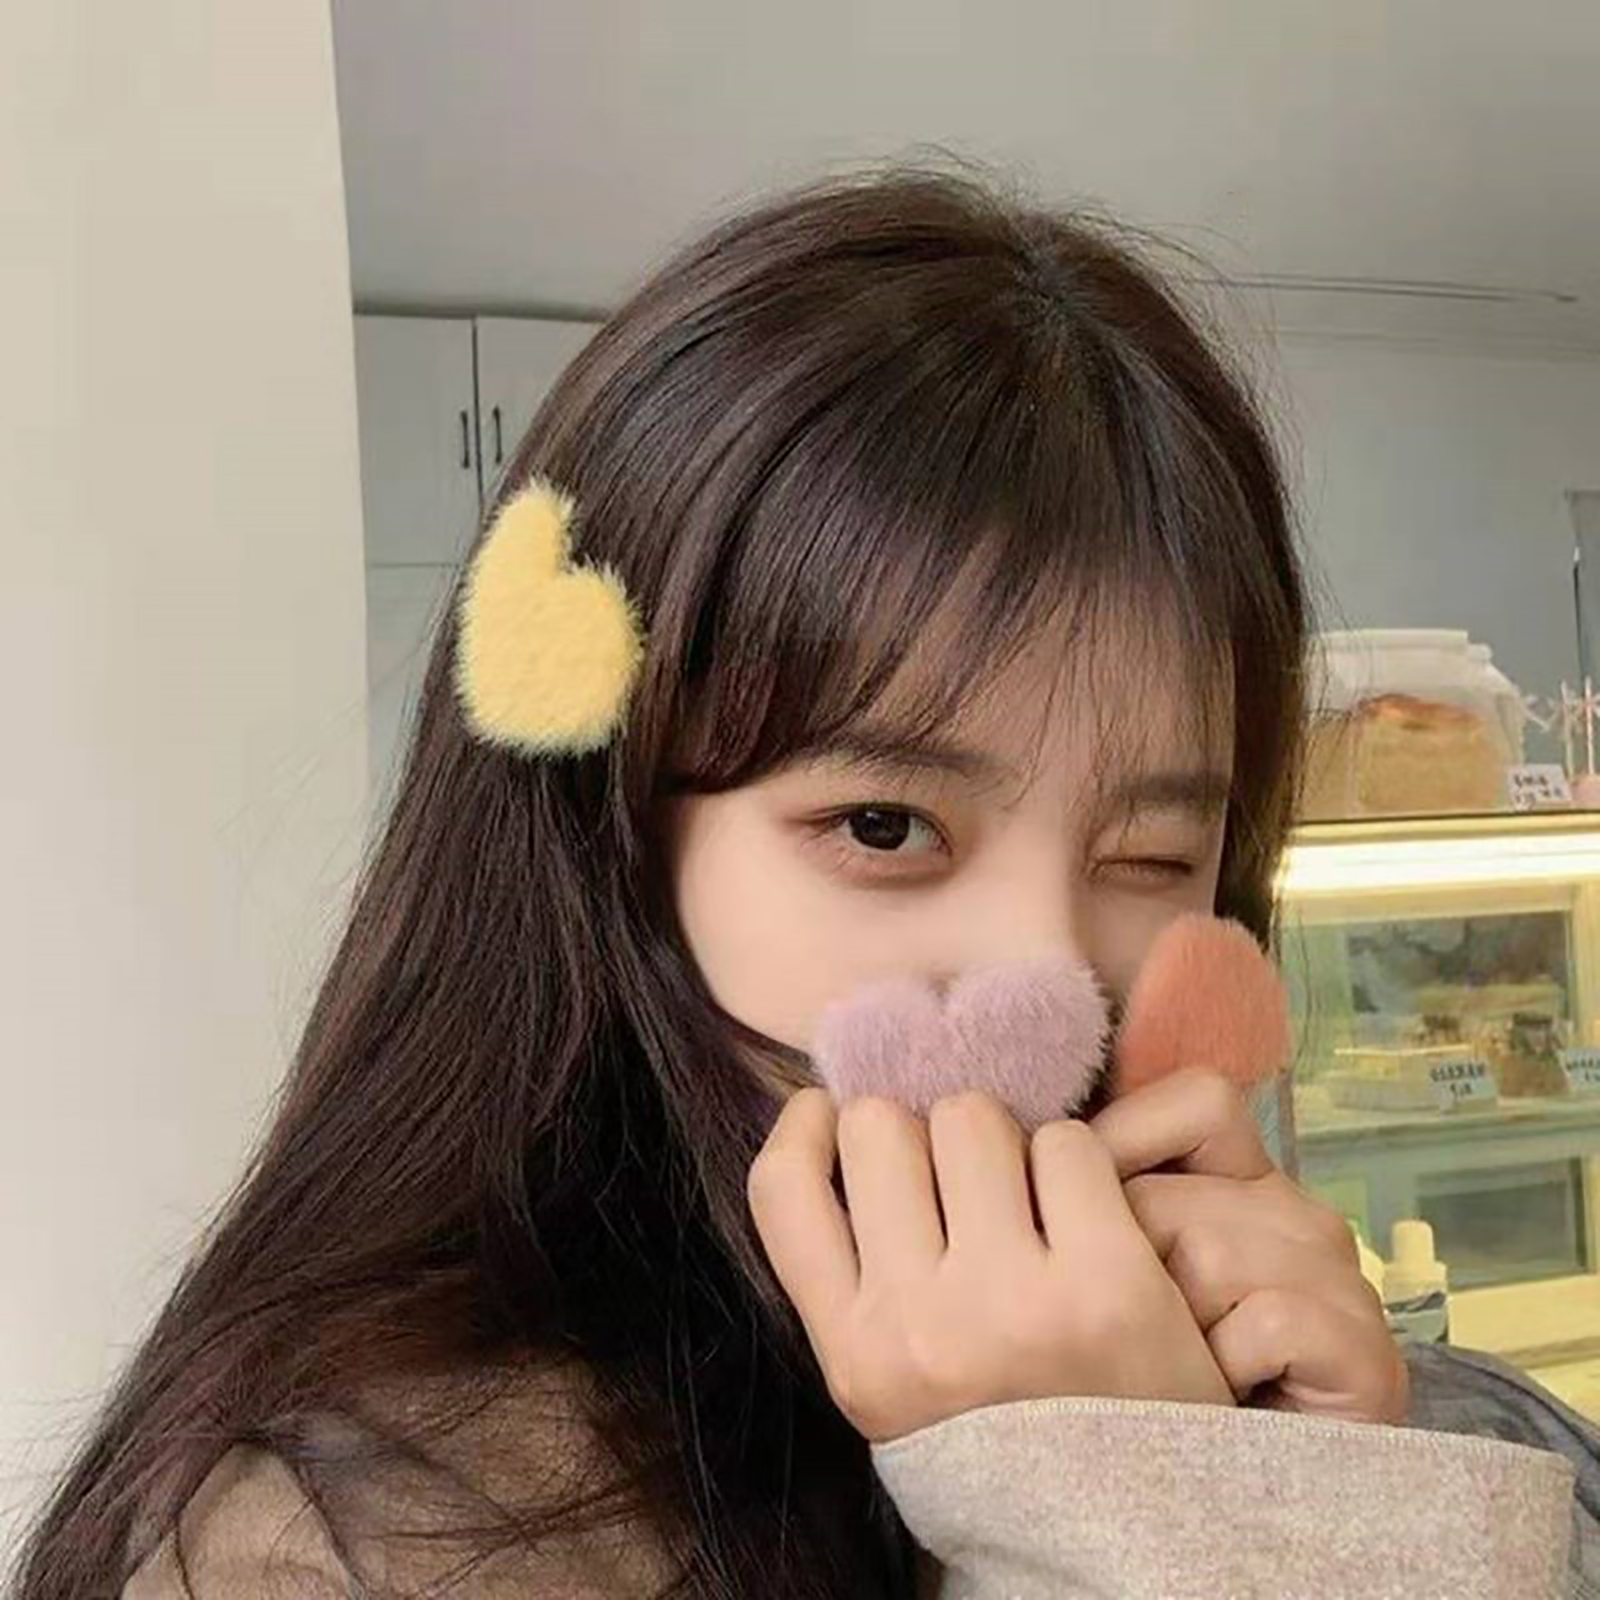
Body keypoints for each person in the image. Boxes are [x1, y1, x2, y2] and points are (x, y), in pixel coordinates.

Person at [14, 164, 1599, 1600]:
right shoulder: (361, 1540)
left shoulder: (1362, 1400)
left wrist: (1319, 1498)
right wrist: (1120, 1504)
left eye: (1150, 856)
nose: (1050, 985)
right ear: (614, 842)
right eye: (887, 827)